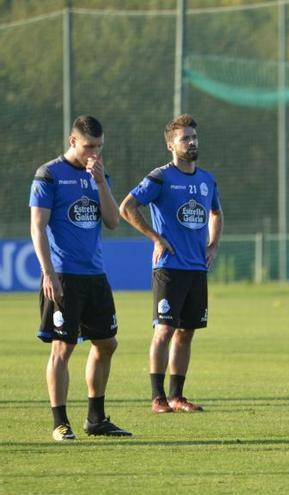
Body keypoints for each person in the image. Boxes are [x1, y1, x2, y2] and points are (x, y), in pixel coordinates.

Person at [29, 115, 132, 441]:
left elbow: (113, 221)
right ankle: (60, 422)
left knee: (107, 343)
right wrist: (48, 273)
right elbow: (37, 227)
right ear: (73, 141)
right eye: (89, 147)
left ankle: (96, 418)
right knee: (63, 347)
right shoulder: (49, 175)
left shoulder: (99, 175)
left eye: (99, 147)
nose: (94, 154)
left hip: (95, 275)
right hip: (63, 275)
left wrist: (101, 183)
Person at [119, 114, 223, 414]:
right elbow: (127, 207)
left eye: (194, 138)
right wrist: (154, 237)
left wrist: (213, 244)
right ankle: (157, 398)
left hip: (196, 269)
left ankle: (177, 396)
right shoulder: (160, 178)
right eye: (184, 139)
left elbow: (217, 213)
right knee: (164, 330)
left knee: (186, 331)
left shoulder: (206, 180)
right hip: (169, 267)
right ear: (170, 145)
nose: (191, 143)